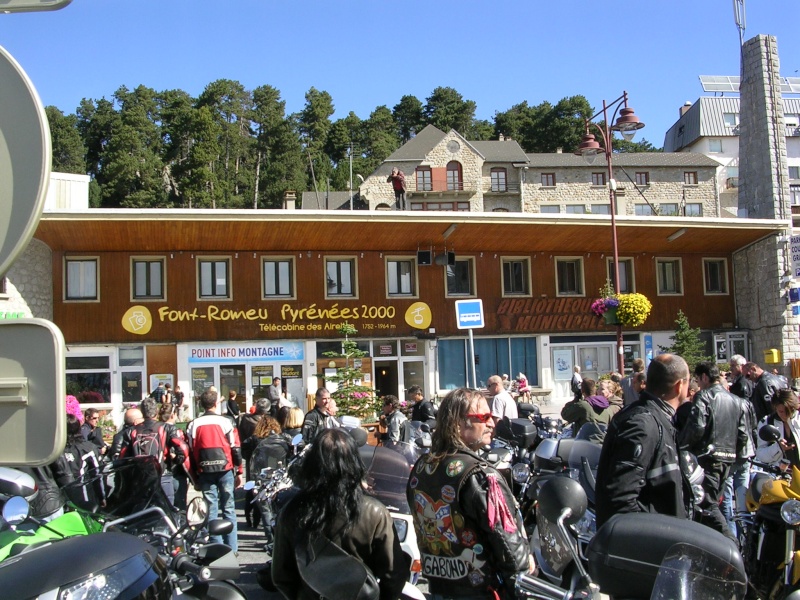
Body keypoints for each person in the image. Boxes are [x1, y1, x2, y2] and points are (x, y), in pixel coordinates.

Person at [407, 387, 533, 598]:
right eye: (483, 417)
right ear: (457, 424)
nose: (492, 423)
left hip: (439, 589)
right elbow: (507, 544)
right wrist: (522, 584)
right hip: (481, 591)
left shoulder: (421, 468)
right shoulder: (479, 475)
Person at [272, 428, 408, 599]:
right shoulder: (374, 512)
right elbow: (394, 573)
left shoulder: (292, 511)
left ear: (312, 463)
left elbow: (281, 576)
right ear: (354, 462)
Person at [595, 354, 693, 528]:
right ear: (679, 386)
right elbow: (620, 498)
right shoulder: (642, 424)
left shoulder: (657, 418)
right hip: (648, 545)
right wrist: (651, 542)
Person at [678, 362, 746, 540]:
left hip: (708, 458)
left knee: (706, 504)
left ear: (705, 377)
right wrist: (733, 454)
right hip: (728, 460)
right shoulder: (737, 400)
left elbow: (697, 426)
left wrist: (683, 448)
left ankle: (731, 545)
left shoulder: (705, 396)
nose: (698, 384)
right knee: (712, 502)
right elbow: (743, 435)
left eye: (698, 379)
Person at [186, 389, 243, 552]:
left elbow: (190, 449)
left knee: (211, 509)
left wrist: (194, 475)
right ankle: (232, 548)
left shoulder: (194, 424)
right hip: (225, 469)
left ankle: (216, 548)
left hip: (204, 469)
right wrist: (239, 470)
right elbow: (235, 448)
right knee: (229, 508)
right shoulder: (226, 422)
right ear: (216, 404)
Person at [119, 398, 188, 506]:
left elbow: (123, 456)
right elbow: (183, 448)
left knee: (143, 514)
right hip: (163, 476)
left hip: (140, 479)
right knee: (166, 513)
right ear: (156, 411)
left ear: (142, 412)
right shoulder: (167, 428)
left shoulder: (131, 431)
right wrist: (177, 459)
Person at [243, 415, 288, 528]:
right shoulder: (282, 439)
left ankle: (269, 537)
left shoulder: (254, 439)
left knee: (265, 509)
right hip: (278, 474)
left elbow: (244, 452)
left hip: (259, 475)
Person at [60, 414, 106, 511]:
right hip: (83, 499)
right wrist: (102, 497)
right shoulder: (88, 448)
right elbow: (97, 475)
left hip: (59, 500)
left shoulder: (53, 449)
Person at [755, 388, 800, 469]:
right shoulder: (766, 422)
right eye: (781, 411)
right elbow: (760, 455)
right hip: (779, 475)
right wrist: (778, 447)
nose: (785, 415)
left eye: (789, 411)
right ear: (775, 408)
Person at [158, 403, 191, 511]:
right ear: (173, 415)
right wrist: (178, 458)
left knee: (164, 505)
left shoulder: (156, 429)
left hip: (160, 471)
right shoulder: (176, 431)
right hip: (176, 471)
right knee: (179, 504)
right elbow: (183, 449)